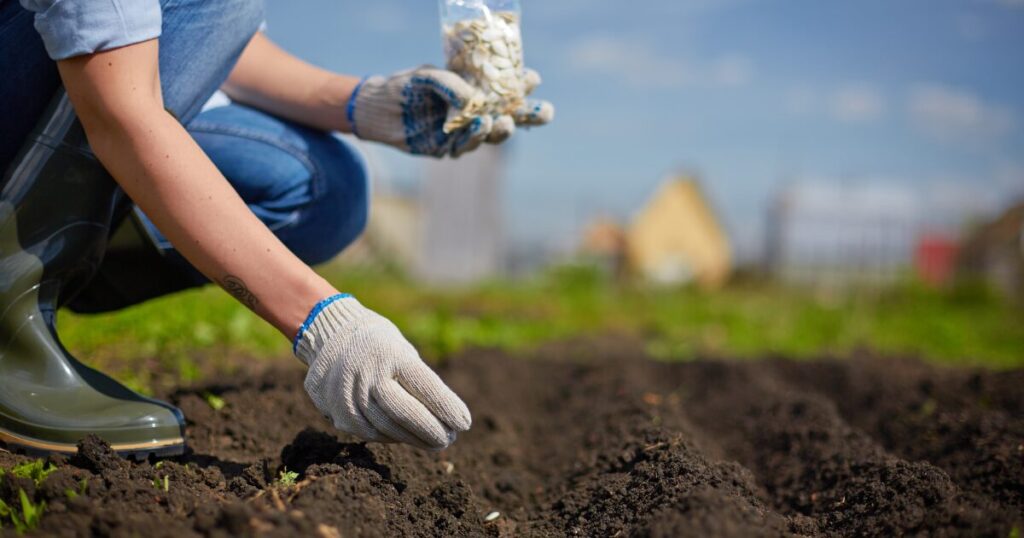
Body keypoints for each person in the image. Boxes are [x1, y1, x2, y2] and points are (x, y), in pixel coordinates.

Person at [0, 0, 553, 457]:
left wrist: (369, 107)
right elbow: (118, 113)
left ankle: (58, 261)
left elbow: (199, 36)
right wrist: (323, 321)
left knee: (326, 188)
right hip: (105, 101)